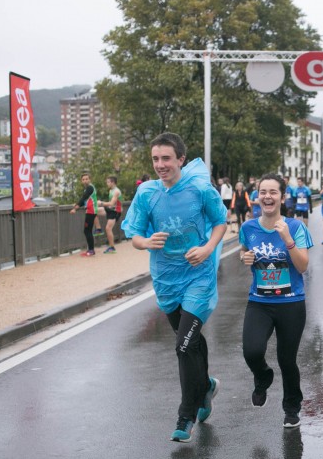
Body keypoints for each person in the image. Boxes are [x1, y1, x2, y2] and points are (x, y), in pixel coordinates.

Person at [121, 132, 227, 443]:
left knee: (183, 345)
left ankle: (186, 415)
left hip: (198, 275)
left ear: (180, 159)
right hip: (166, 280)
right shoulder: (146, 194)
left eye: (166, 158)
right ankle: (206, 387)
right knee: (189, 342)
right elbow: (135, 234)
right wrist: (145, 242)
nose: (160, 165)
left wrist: (207, 248)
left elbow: (220, 222)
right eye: (155, 159)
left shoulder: (199, 189)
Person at [239, 173, 313, 428]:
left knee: (287, 359)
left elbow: (302, 267)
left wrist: (288, 241)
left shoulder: (295, 227)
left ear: (282, 197)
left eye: (273, 192)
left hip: (291, 303)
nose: (267, 197)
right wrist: (244, 258)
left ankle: (291, 407)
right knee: (252, 350)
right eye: (263, 192)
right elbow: (244, 251)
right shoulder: (248, 227)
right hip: (259, 301)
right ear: (257, 196)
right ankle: (262, 376)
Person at [70, 173, 99, 256]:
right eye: (83, 179)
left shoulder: (89, 188)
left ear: (90, 180)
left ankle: (91, 250)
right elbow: (85, 201)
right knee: (87, 230)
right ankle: (90, 249)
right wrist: (77, 205)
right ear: (81, 181)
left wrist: (75, 208)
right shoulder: (88, 188)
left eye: (87, 179)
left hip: (91, 211)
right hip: (90, 211)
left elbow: (83, 198)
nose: (85, 181)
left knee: (87, 231)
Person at [98, 175, 123, 254]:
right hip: (111, 210)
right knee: (94, 211)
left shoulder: (116, 191)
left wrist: (101, 203)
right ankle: (98, 229)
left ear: (113, 182)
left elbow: (112, 203)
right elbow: (110, 205)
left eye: (108, 182)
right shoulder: (111, 191)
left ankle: (112, 247)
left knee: (108, 229)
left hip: (115, 212)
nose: (107, 183)